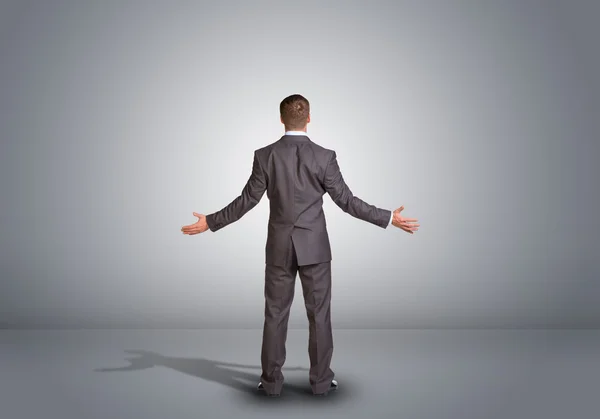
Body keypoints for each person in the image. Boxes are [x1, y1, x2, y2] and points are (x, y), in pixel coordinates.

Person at [181, 94, 419, 396]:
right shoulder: (325, 156)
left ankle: (270, 384)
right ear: (309, 118)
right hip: (315, 248)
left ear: (281, 119)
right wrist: (388, 218)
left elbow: (246, 201)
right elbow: (347, 202)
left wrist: (210, 222)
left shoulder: (265, 155)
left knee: (275, 313)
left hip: (279, 248)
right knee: (319, 314)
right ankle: (320, 383)